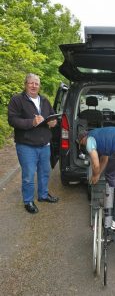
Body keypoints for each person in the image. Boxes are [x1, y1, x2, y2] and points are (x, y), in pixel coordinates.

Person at [8, 73, 59, 214]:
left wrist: (53, 122)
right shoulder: (17, 100)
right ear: (25, 84)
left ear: (39, 86)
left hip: (44, 145)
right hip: (26, 146)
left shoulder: (44, 100)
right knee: (29, 175)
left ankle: (43, 195)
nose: (34, 85)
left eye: (36, 83)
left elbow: (52, 115)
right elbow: (12, 120)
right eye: (31, 83)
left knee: (44, 172)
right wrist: (31, 122)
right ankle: (28, 200)